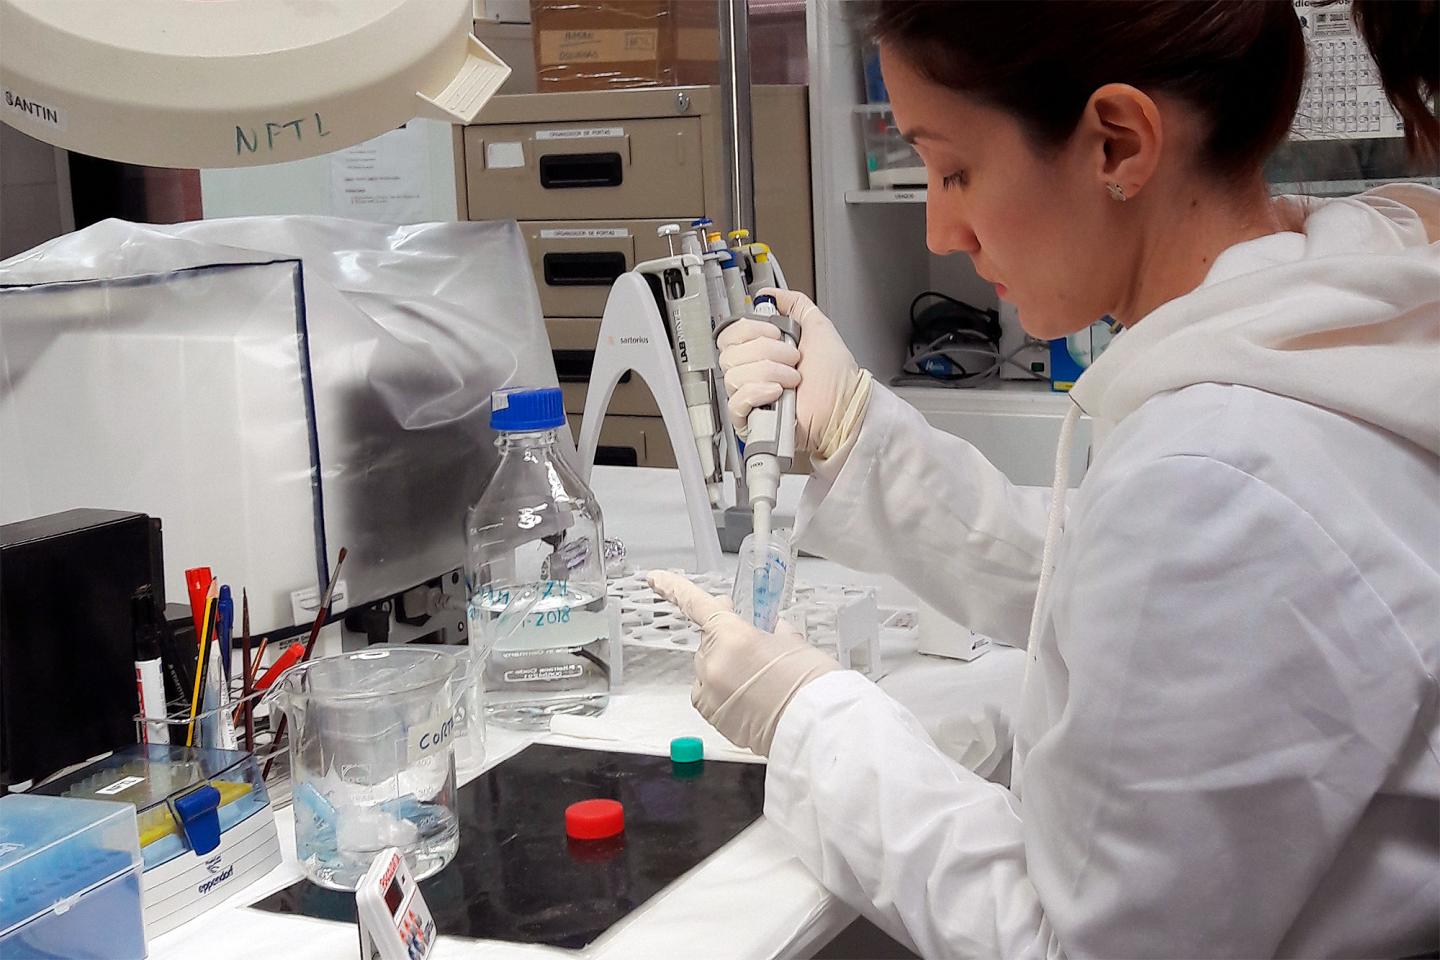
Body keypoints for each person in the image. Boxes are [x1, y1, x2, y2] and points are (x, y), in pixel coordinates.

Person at [647, 2, 1440, 957]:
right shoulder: (1344, 288)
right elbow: (1130, 586)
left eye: (954, 169)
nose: (942, 230)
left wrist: (811, 718)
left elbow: (1076, 946)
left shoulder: (1219, 468)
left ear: (1117, 142)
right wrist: (856, 433)